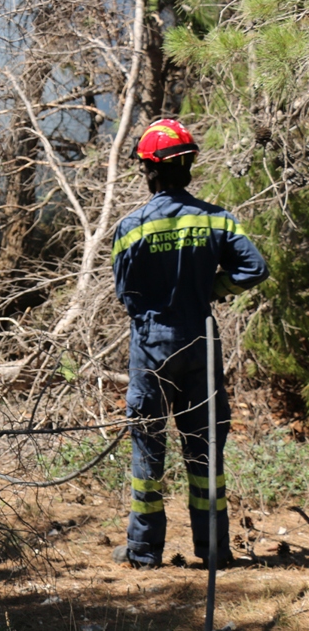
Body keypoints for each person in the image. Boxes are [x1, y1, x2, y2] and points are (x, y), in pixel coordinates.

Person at [111, 119, 269, 569]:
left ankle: (143, 553)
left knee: (148, 448)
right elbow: (255, 269)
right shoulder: (217, 219)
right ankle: (215, 551)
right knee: (206, 447)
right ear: (189, 168)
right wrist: (211, 290)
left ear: (151, 171)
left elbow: (125, 294)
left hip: (151, 346)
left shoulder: (131, 227)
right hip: (201, 342)